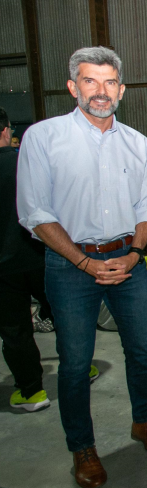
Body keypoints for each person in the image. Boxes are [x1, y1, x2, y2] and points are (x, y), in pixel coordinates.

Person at [16, 47, 147, 488]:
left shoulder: (138, 143)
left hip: (129, 261)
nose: (100, 92)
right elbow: (35, 213)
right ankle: (82, 447)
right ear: (73, 86)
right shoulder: (44, 139)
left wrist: (136, 253)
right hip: (69, 267)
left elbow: (146, 207)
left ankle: (145, 421)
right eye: (90, 81)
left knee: (142, 351)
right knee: (75, 361)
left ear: (121, 89)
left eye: (109, 83)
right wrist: (84, 261)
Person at [1, 107, 50, 411]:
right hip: (39, 254)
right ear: (6, 130)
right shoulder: (24, 161)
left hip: (3, 269)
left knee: (14, 329)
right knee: (64, 316)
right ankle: (81, 369)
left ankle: (31, 392)